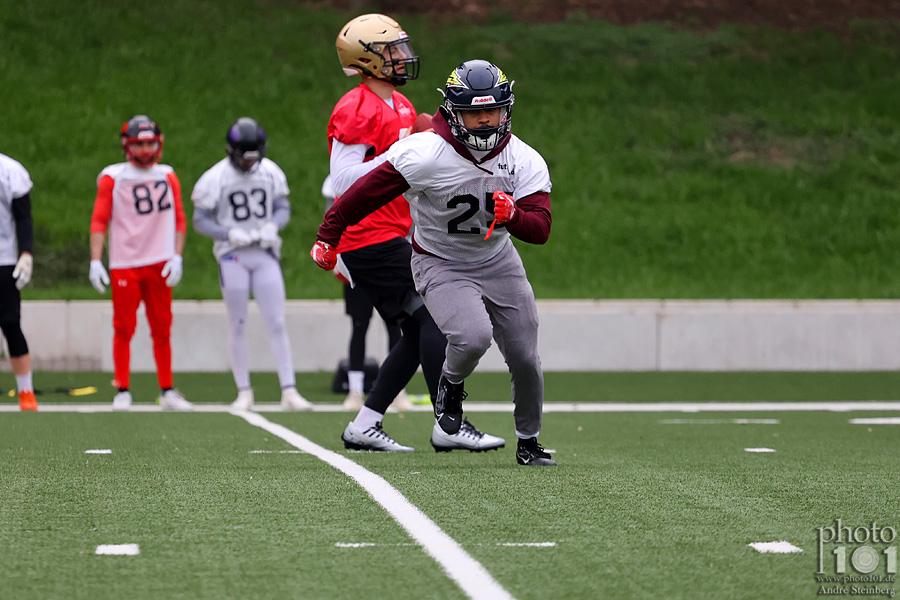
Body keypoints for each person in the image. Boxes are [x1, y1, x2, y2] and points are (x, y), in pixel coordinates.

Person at [311, 59, 556, 466]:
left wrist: (514, 216)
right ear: (454, 113)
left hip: (498, 259)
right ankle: (450, 386)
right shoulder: (425, 153)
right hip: (441, 261)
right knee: (472, 337)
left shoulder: (523, 159)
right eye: (474, 113)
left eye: (492, 111)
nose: (484, 121)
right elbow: (366, 193)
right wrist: (329, 232)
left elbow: (541, 228)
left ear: (506, 110)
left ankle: (528, 440)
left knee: (525, 356)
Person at [323, 15, 504, 453]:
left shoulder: (401, 106)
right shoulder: (355, 106)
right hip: (366, 237)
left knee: (417, 329)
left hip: (393, 233)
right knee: (436, 319)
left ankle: (365, 423)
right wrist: (400, 154)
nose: (403, 57)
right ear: (366, 58)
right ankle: (449, 422)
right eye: (392, 51)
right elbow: (342, 179)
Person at [191, 117, 312, 412]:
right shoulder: (215, 178)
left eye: (253, 157)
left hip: (263, 252)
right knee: (238, 322)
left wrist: (273, 225)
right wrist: (227, 232)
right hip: (233, 255)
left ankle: (289, 389)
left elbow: (282, 206)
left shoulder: (269, 172)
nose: (249, 163)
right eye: (244, 158)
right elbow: (200, 220)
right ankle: (244, 391)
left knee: (277, 321)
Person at [89, 115, 192, 412]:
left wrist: (177, 255)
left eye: (150, 143)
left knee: (162, 328)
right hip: (126, 262)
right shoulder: (113, 177)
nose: (146, 150)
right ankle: (122, 389)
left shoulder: (167, 175)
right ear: (127, 146)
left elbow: (179, 218)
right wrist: (96, 260)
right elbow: (99, 219)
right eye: (139, 144)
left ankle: (167, 390)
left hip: (159, 260)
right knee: (123, 328)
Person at [322, 175, 407, 412]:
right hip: (357, 253)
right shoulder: (344, 172)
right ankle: (355, 390)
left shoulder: (395, 165)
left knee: (395, 325)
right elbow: (332, 213)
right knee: (360, 324)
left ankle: (397, 389)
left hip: (389, 252)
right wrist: (333, 247)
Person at [0, 153, 37, 411]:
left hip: (4, 257)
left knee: (11, 323)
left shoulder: (9, 170)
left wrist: (26, 252)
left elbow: (23, 216)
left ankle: (26, 391)